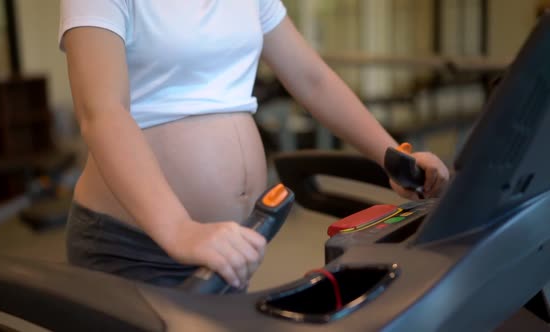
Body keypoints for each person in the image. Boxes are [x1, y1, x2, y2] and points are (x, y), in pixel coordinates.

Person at [59, 0, 449, 291]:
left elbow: (312, 79)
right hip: (134, 244)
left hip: (223, 242)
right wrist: (179, 230)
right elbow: (102, 113)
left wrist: (391, 156)